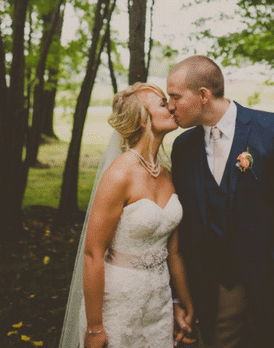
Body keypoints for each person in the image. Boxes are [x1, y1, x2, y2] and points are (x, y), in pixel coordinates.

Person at [165, 55, 274, 348]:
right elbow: (186, 230)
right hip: (216, 294)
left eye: (175, 96)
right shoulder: (183, 148)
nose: (170, 105)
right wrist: (181, 296)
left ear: (203, 95)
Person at [60, 82, 196, 348]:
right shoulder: (119, 174)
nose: (171, 106)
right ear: (142, 119)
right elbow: (93, 254)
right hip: (118, 303)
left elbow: (174, 252)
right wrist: (95, 326)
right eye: (161, 103)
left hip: (159, 301)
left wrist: (183, 303)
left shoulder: (168, 175)